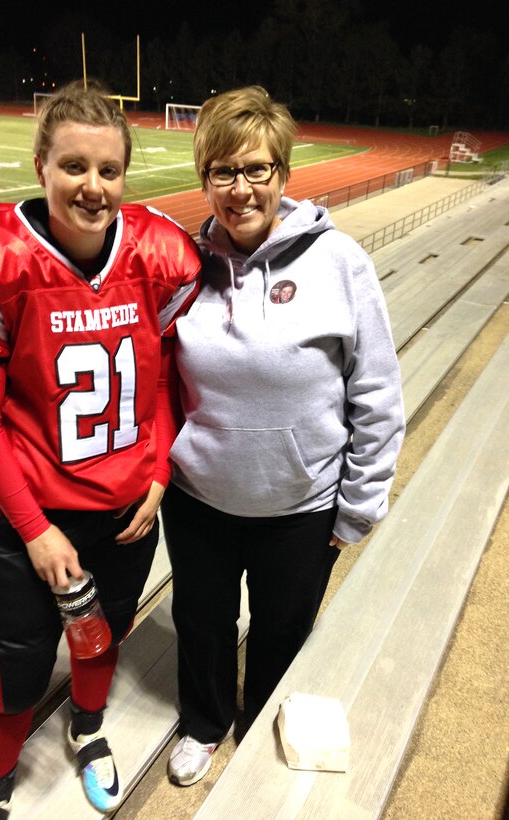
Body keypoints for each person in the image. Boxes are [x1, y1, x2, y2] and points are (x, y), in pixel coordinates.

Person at [0, 79, 200, 817]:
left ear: (125, 176)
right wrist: (34, 528)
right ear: (41, 164)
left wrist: (160, 473)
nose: (92, 186)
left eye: (108, 170)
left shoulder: (156, 254)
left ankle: (88, 729)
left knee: (101, 644)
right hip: (37, 517)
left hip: (129, 512)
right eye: (74, 166)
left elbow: (164, 384)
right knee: (16, 670)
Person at [161, 86, 406, 787]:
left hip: (301, 509)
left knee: (279, 632)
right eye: (222, 172)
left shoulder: (338, 262)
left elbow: (377, 392)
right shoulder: (181, 266)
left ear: (283, 174)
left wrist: (356, 506)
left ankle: (259, 714)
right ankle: (204, 723)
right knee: (202, 627)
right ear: (205, 177)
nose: (239, 189)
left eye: (256, 170)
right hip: (201, 500)